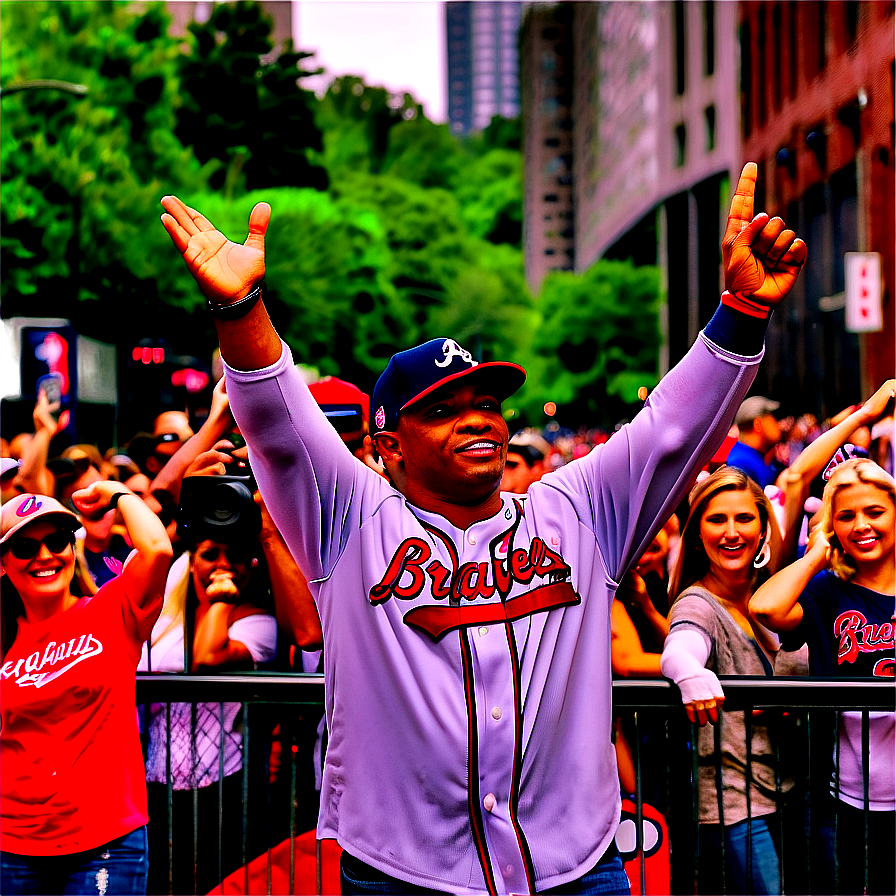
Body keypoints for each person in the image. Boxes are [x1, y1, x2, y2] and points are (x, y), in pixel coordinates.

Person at [161, 162, 806, 894]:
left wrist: (743, 311)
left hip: (574, 865)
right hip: (403, 872)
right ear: (387, 443)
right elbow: (279, 425)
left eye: (487, 403)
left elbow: (670, 428)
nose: (477, 419)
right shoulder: (350, 522)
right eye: (440, 409)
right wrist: (243, 308)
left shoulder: (577, 509)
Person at [0, 486, 172, 895]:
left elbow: (156, 550)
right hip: (12, 843)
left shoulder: (111, 611)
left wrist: (116, 493)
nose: (44, 556)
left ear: (72, 549)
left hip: (107, 842)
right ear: (4, 563)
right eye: (24, 546)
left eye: (57, 540)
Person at [749, 458, 895, 896]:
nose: (861, 525)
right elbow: (766, 608)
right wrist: (815, 555)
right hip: (847, 802)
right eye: (845, 516)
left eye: (874, 512)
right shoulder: (827, 590)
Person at [138, 471, 279, 896]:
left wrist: (221, 599)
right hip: (156, 780)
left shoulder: (257, 622)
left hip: (224, 786)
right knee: (163, 882)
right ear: (190, 560)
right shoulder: (165, 620)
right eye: (209, 553)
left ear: (250, 562)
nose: (222, 564)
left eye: (233, 555)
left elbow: (208, 658)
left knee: (220, 884)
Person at [659, 467, 790, 894]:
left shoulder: (776, 592)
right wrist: (690, 674)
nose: (731, 532)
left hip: (793, 789)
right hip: (732, 801)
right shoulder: (698, 603)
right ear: (697, 533)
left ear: (763, 526)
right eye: (717, 519)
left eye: (744, 518)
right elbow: (680, 648)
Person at [726, 396, 784, 489]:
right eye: (773, 419)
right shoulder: (739, 464)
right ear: (757, 425)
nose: (778, 425)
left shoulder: (754, 455)